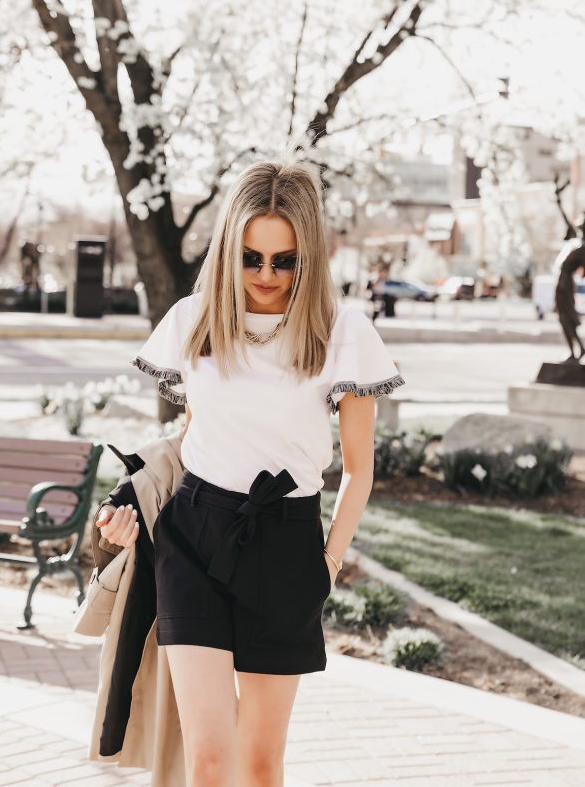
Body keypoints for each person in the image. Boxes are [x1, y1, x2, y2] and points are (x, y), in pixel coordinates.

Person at [96, 158, 405, 787]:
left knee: (260, 763)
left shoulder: (344, 333)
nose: (266, 275)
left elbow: (359, 470)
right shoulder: (194, 321)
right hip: (193, 537)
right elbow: (191, 435)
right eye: (251, 257)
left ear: (309, 255)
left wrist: (327, 560)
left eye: (284, 260)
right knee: (210, 757)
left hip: (287, 542)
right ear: (228, 249)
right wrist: (128, 504)